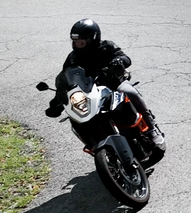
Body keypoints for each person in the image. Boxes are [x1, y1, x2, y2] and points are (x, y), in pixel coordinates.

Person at [45, 18, 165, 150]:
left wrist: (119, 61)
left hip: (113, 85)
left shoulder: (106, 47)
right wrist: (58, 100)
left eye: (81, 42)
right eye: (74, 41)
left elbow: (125, 58)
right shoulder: (73, 58)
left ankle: (152, 129)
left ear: (93, 39)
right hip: (90, 92)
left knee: (129, 92)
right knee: (77, 117)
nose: (76, 45)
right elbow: (66, 79)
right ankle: (96, 145)